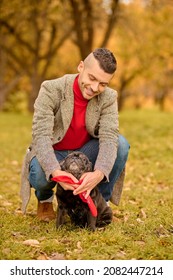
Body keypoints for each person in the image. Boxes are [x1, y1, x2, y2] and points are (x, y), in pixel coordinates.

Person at [20, 48, 130, 222]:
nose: (95, 88)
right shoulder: (51, 89)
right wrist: (57, 172)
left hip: (85, 153)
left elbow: (109, 137)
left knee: (120, 144)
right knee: (42, 175)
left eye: (103, 84)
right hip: (54, 152)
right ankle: (45, 200)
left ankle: (100, 203)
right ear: (81, 67)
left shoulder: (109, 97)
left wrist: (99, 174)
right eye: (92, 78)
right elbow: (40, 135)